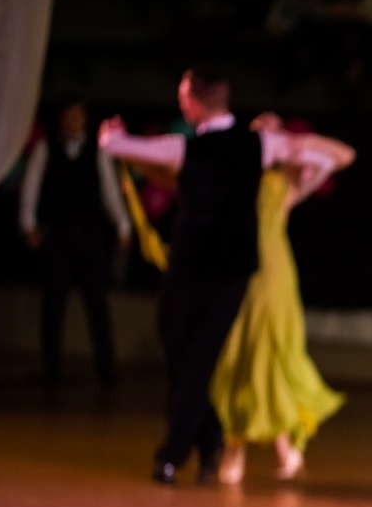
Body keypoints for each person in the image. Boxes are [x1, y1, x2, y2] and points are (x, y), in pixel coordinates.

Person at [98, 70, 338, 484]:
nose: (180, 105)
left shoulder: (184, 148)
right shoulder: (258, 146)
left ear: (193, 101)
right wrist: (296, 150)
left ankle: (171, 456)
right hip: (218, 271)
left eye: (182, 98)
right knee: (180, 355)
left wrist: (111, 137)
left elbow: (118, 146)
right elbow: (321, 157)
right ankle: (208, 439)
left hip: (205, 269)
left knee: (196, 362)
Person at [211, 116, 356, 485]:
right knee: (239, 356)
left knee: (268, 354)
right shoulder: (233, 177)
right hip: (235, 270)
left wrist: (301, 141)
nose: (268, 134)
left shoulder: (285, 183)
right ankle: (253, 449)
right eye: (261, 130)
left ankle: (253, 450)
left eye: (274, 130)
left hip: (273, 275)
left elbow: (342, 156)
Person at [19, 97, 131, 392]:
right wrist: (29, 224)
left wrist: (123, 224)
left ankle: (106, 368)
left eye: (78, 115)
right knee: (53, 303)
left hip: (90, 236)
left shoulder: (97, 152)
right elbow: (31, 186)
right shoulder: (46, 148)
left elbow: (110, 191)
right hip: (57, 235)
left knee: (97, 302)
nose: (73, 120)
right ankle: (51, 367)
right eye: (68, 115)